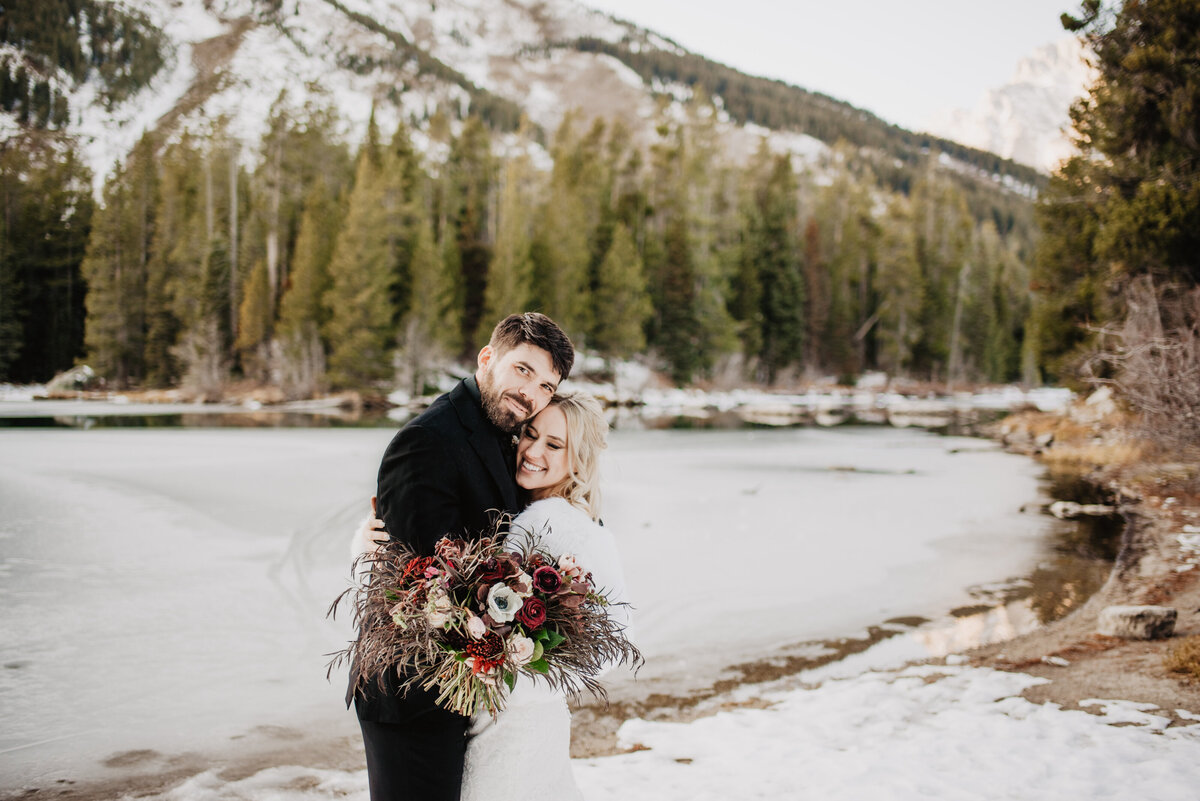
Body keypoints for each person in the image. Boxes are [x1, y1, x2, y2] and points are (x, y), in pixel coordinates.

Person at [355, 390, 631, 801]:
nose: (533, 451)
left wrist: (508, 679)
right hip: (494, 723)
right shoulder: (519, 511)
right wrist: (371, 544)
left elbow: (613, 643)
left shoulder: (562, 525)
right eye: (530, 435)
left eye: (554, 445)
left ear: (579, 459)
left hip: (516, 729)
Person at [351, 312, 574, 801]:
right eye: (522, 370)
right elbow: (419, 575)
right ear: (487, 357)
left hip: (468, 688)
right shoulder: (427, 440)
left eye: (545, 385)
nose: (531, 393)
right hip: (414, 693)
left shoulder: (508, 432)